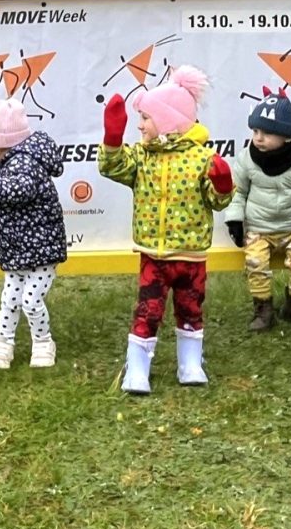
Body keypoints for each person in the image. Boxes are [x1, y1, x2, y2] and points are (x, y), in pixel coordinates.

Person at [98, 65, 234, 393]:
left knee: (191, 308)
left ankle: (190, 363)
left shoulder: (202, 158)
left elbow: (218, 202)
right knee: (148, 310)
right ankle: (137, 369)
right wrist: (112, 140)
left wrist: (222, 183)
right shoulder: (141, 157)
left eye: (145, 117)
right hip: (153, 256)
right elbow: (111, 167)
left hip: (191, 256)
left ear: (168, 121)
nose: (140, 125)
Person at [0, 97, 68, 370]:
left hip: (41, 252)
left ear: (1, 142)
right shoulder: (14, 162)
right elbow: (8, 214)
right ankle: (4, 341)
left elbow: (14, 193)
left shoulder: (24, 163)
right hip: (19, 250)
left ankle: (43, 342)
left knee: (31, 301)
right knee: (9, 298)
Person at [225, 88, 291, 331]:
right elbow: (238, 192)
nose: (258, 138)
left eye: (266, 133)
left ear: (286, 136)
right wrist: (234, 219)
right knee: (255, 261)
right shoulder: (246, 158)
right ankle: (263, 309)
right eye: (255, 131)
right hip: (259, 229)